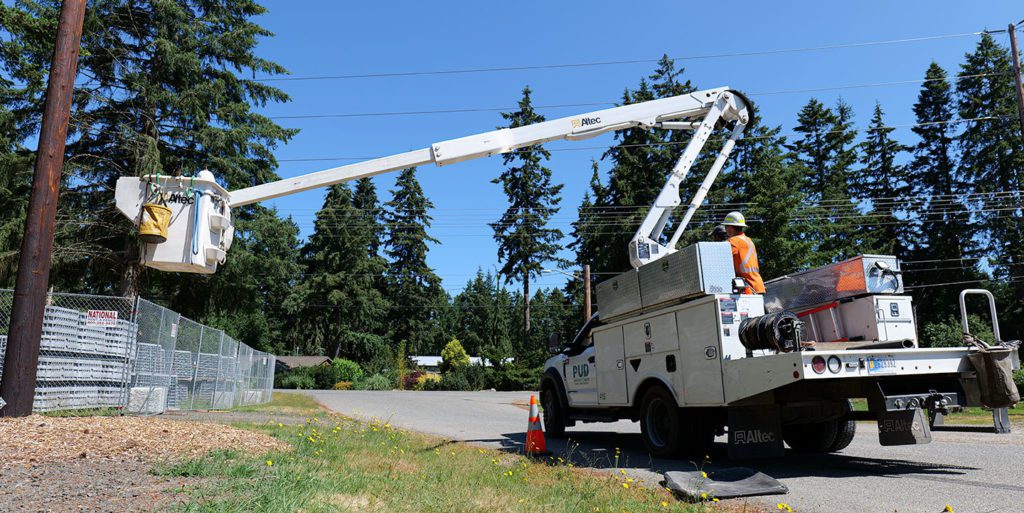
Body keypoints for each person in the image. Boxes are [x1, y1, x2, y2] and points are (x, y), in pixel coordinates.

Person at [721, 212, 765, 295]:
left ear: (731, 227)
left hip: (748, 287)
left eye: (726, 226)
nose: (725, 229)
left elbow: (719, 260)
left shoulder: (733, 241)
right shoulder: (748, 240)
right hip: (757, 285)